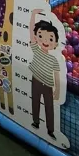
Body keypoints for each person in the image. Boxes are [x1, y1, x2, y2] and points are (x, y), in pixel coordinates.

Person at [29, 9, 61, 140]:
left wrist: (57, 89)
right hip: (36, 80)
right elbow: (31, 31)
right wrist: (33, 15)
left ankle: (50, 129)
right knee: (35, 101)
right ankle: (36, 121)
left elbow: (57, 74)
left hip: (48, 85)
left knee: (49, 106)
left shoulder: (53, 59)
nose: (45, 41)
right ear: (36, 37)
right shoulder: (36, 49)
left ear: (55, 43)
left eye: (50, 38)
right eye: (41, 36)